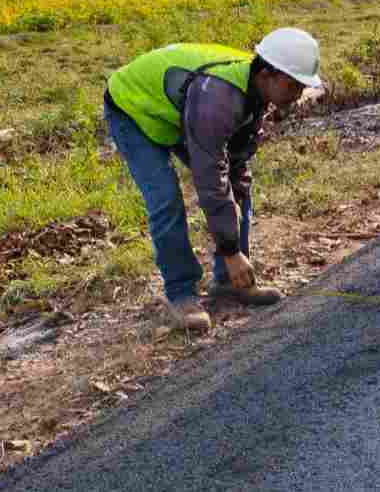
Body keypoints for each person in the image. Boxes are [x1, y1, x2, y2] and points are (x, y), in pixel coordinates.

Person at [103, 28, 324, 332]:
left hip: (179, 110)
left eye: (302, 86)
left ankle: (230, 282)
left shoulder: (255, 91)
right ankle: (181, 295)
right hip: (134, 109)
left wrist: (233, 244)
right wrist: (231, 251)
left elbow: (235, 168)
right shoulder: (218, 99)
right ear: (268, 74)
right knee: (166, 200)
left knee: (239, 187)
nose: (298, 94)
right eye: (293, 84)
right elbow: (209, 177)